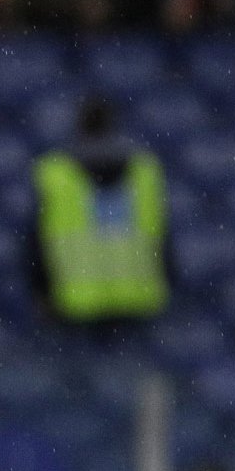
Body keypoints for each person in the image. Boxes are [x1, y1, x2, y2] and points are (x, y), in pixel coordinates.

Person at [29, 96, 171, 328]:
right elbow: (162, 237)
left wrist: (41, 293)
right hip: (137, 300)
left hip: (74, 301)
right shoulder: (146, 172)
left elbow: (35, 243)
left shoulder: (53, 174)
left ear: (78, 127)